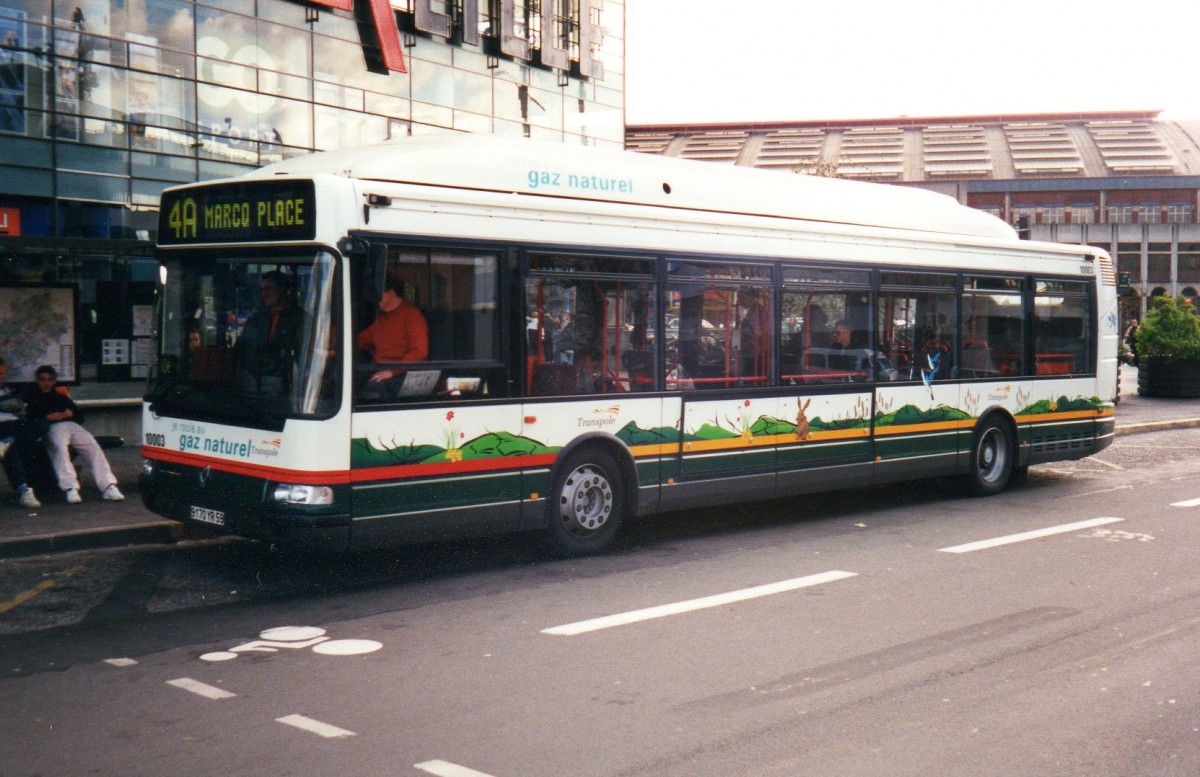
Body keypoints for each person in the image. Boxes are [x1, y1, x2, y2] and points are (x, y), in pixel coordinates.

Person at [24, 365, 123, 504]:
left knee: (92, 447)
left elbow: (79, 416)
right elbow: (31, 417)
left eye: (49, 379)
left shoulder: (60, 396)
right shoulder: (32, 398)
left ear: (54, 381)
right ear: (37, 381)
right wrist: (48, 417)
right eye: (42, 379)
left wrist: (66, 415)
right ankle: (70, 488)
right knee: (60, 449)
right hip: (51, 428)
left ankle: (108, 486)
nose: (46, 383)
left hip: (71, 425)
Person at [357, 277, 429, 396]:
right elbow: (362, 341)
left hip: (403, 374)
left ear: (390, 293)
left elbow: (420, 352)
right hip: (381, 369)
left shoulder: (412, 316)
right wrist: (333, 349)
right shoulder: (382, 318)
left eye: (377, 293)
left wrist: (392, 371)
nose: (373, 298)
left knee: (373, 388)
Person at [238, 270, 305, 393]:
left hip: (283, 382)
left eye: (268, 289)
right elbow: (242, 348)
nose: (264, 294)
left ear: (283, 290)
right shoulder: (257, 319)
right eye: (262, 290)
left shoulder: (300, 318)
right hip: (253, 381)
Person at [0, 359, 42, 508]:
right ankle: (25, 490)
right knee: (12, 451)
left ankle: (7, 442)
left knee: (41, 425)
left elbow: (20, 412)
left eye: (2, 374)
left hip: (15, 425)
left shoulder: (10, 391)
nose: (0, 377)